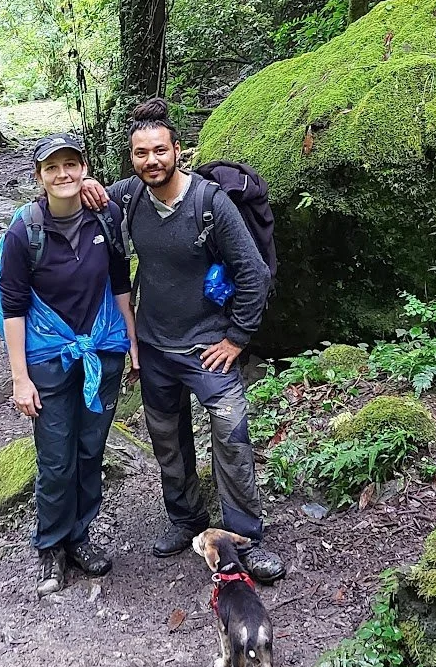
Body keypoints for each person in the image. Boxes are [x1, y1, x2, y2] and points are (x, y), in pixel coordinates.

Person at [81, 99, 284, 582]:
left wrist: (236, 338)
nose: (151, 161)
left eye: (159, 151)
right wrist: (85, 182)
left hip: (208, 350)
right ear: (131, 159)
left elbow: (253, 273)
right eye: (140, 153)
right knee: (167, 441)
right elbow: (86, 199)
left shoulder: (210, 203)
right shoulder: (128, 196)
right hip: (155, 349)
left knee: (231, 438)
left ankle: (245, 539)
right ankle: (186, 521)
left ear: (178, 151)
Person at [0, 131, 138, 597]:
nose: (63, 175)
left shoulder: (106, 214)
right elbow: (13, 303)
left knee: (89, 450)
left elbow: (121, 281)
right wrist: (19, 377)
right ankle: (51, 545)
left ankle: (79, 535)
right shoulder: (25, 231)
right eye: (52, 168)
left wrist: (132, 342)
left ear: (84, 168)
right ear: (39, 177)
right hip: (48, 358)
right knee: (56, 458)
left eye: (71, 165)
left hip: (102, 348)